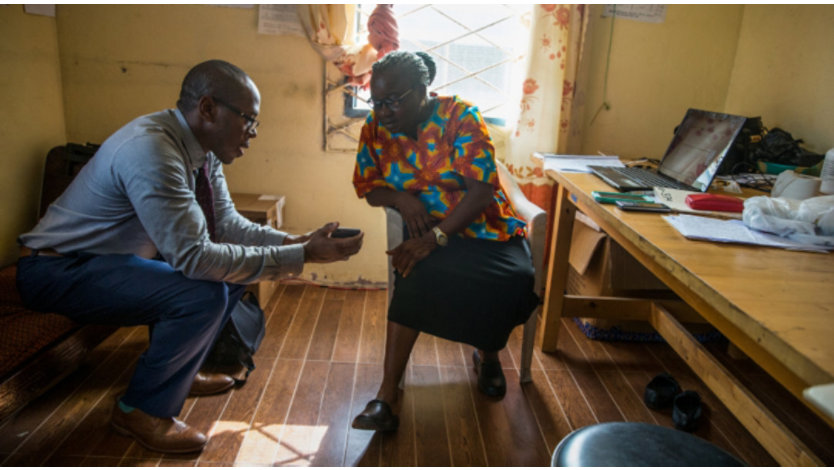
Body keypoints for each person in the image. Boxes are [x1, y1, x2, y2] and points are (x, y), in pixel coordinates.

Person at [16, 60, 363, 453]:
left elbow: (228, 226)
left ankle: (181, 372)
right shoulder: (152, 151)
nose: (252, 133)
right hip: (56, 270)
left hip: (108, 266)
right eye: (248, 119)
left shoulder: (201, 150)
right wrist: (303, 256)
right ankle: (141, 409)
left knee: (232, 273)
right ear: (209, 108)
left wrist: (295, 241)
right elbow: (196, 259)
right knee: (202, 292)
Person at [350, 51, 538, 432]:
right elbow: (369, 187)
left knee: (515, 279)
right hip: (427, 233)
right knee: (412, 272)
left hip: (486, 231)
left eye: (393, 101)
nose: (383, 111)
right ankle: (387, 395)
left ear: (422, 90)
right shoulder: (375, 128)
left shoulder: (462, 116)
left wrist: (437, 237)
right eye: (376, 102)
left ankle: (487, 356)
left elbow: (482, 191)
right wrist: (400, 199)